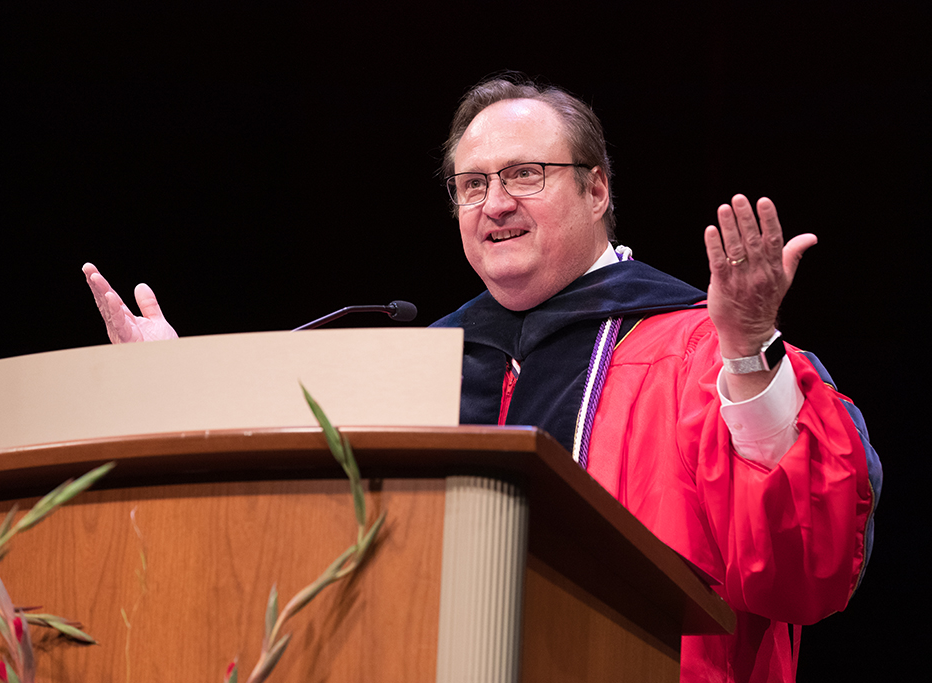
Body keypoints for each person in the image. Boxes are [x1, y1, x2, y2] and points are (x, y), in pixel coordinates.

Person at [84, 75, 881, 682]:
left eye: (525, 174)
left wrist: (747, 352)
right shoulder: (429, 365)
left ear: (598, 187)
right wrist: (178, 387)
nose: (494, 202)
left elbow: (803, 570)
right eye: (472, 184)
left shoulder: (698, 348)